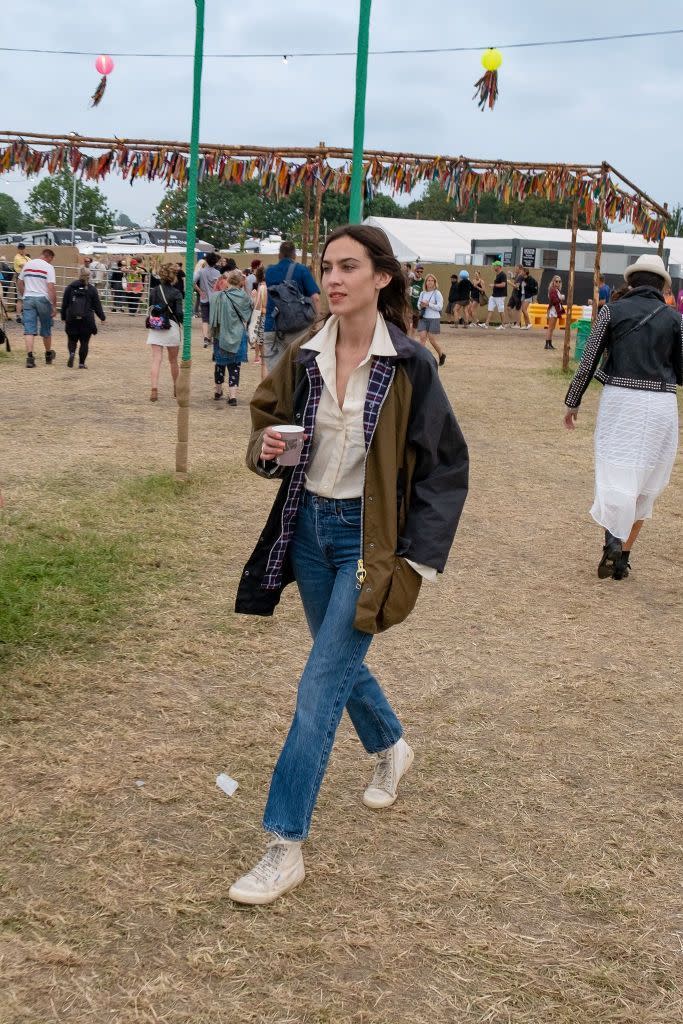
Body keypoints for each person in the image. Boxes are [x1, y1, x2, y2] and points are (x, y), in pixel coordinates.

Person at [229, 224, 469, 906]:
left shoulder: (410, 365)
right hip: (306, 530)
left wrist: (418, 561)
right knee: (337, 665)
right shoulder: (305, 352)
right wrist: (266, 448)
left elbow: (446, 466)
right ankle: (391, 745)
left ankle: (282, 843)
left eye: (347, 268)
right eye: (326, 268)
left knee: (317, 688)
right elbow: (263, 424)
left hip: (370, 545)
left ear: (381, 278)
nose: (332, 279)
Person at [563, 253, 681, 581]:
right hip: (661, 405)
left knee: (614, 474)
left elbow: (588, 361)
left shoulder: (611, 311)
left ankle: (612, 542)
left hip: (621, 401)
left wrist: (573, 402)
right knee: (644, 483)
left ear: (631, 282)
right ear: (662, 286)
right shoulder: (675, 320)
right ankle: (623, 557)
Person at [263, 240, 321, 372]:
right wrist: (317, 321)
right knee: (298, 371)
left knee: (275, 374)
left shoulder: (269, 271)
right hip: (297, 328)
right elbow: (316, 298)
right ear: (294, 255)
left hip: (272, 325)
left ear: (279, 255)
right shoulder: (301, 270)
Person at [209, 268, 252, 406]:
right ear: (241, 282)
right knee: (235, 365)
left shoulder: (219, 296)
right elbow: (248, 314)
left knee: (220, 363)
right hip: (238, 334)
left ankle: (218, 391)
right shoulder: (245, 297)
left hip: (220, 334)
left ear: (227, 281)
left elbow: (213, 316)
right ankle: (233, 396)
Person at [146, 263, 183, 402]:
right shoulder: (176, 293)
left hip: (156, 325)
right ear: (174, 276)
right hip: (171, 326)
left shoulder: (154, 290)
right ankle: (176, 387)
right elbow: (179, 313)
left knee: (156, 359)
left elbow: (151, 306)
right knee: (173, 361)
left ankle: (154, 389)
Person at [18, 248, 57, 368]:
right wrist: (54, 305)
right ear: (49, 257)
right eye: (51, 259)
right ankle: (48, 354)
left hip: (29, 298)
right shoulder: (48, 267)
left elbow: (19, 282)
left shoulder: (28, 264)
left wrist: (25, 295)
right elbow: (50, 288)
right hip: (43, 299)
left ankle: (30, 357)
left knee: (29, 330)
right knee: (46, 328)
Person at [60, 266, 106, 369]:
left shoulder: (70, 288)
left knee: (72, 339)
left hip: (72, 318)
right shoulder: (92, 290)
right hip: (87, 319)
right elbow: (97, 305)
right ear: (89, 277)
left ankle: (72, 353)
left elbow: (64, 304)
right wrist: (102, 317)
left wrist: (63, 316)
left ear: (78, 275)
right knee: (84, 342)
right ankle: (81, 363)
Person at [417, 273, 446, 364]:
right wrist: (421, 305)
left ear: (434, 282)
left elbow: (440, 307)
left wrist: (428, 304)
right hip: (423, 318)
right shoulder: (422, 293)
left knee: (432, 340)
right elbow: (418, 305)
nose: (429, 282)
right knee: (422, 338)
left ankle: (441, 354)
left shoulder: (437, 293)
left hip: (434, 318)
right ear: (425, 283)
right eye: (428, 280)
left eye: (431, 280)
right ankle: (420, 359)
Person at [193, 252, 221, 347]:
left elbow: (192, 281)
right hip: (215, 298)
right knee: (213, 319)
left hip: (204, 298)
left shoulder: (201, 271)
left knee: (205, 319)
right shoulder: (218, 273)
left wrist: (200, 291)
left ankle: (205, 338)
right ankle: (209, 337)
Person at [251, 265, 268, 378]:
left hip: (262, 316)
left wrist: (254, 297)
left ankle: (260, 358)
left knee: (260, 341)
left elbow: (257, 305)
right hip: (269, 316)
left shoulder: (261, 287)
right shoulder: (270, 286)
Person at [482, 260, 508, 329]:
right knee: (490, 309)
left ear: (499, 267)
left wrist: (494, 285)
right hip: (494, 295)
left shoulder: (503, 274)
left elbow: (503, 284)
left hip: (500, 296)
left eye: (495, 266)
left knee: (501, 310)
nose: (494, 267)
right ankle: (486, 324)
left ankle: (503, 325)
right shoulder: (498, 274)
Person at [545, 275, 565, 350]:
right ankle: (547, 343)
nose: (558, 283)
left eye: (559, 281)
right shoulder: (552, 290)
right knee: (550, 328)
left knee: (552, 328)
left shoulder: (557, 290)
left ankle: (549, 343)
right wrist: (561, 298)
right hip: (553, 310)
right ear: (553, 282)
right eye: (556, 281)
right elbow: (554, 300)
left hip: (555, 310)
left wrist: (560, 298)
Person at [13, 243, 30, 323]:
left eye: (23, 248)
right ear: (18, 249)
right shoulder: (17, 257)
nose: (22, 250)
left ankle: (24, 314)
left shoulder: (26, 257)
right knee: (20, 298)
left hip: (26, 278)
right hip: (20, 278)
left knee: (26, 297)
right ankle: (18, 316)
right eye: (20, 248)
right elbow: (24, 266)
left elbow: (31, 264)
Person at [408, 263, 425, 336]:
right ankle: (407, 340)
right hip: (409, 306)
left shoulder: (423, 282)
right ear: (414, 271)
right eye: (418, 271)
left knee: (415, 326)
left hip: (418, 307)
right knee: (409, 324)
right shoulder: (410, 280)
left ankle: (412, 340)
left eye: (421, 272)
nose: (420, 273)